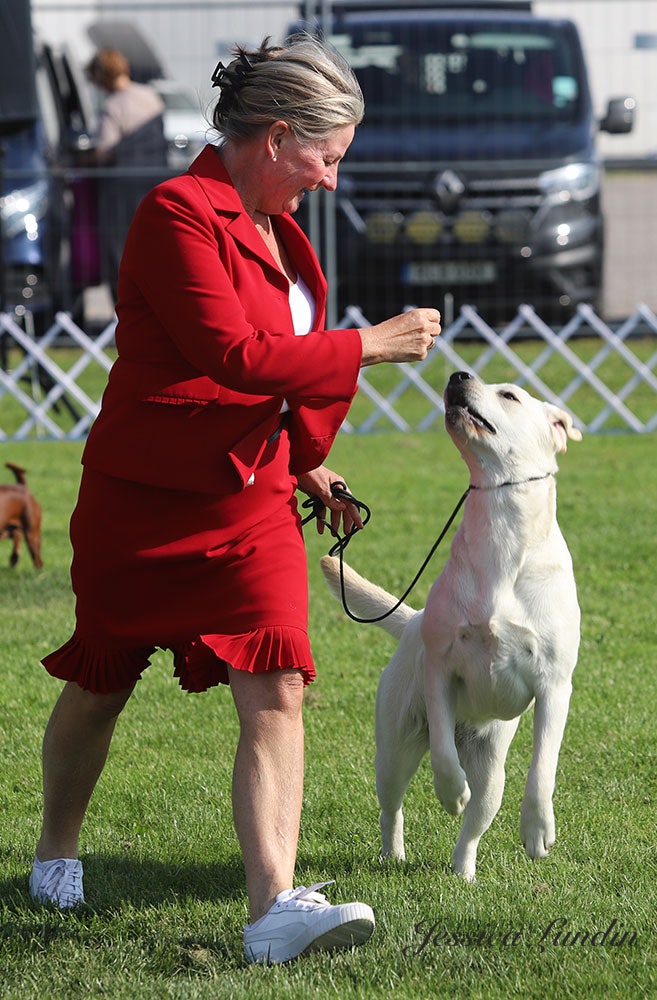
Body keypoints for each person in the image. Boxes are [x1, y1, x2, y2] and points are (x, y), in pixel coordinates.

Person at [29, 35, 441, 964]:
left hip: (247, 500)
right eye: (326, 159)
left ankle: (274, 911)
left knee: (278, 686)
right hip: (145, 502)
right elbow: (234, 357)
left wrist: (303, 465)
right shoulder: (178, 213)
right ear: (279, 135)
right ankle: (57, 851)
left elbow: (264, 384)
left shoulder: (282, 232)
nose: (332, 182)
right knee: (100, 684)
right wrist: (366, 345)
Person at [84, 48, 169, 296]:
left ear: (102, 75)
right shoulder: (151, 96)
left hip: (120, 189)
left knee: (120, 247)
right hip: (155, 180)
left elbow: (105, 150)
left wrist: (83, 159)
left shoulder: (112, 106)